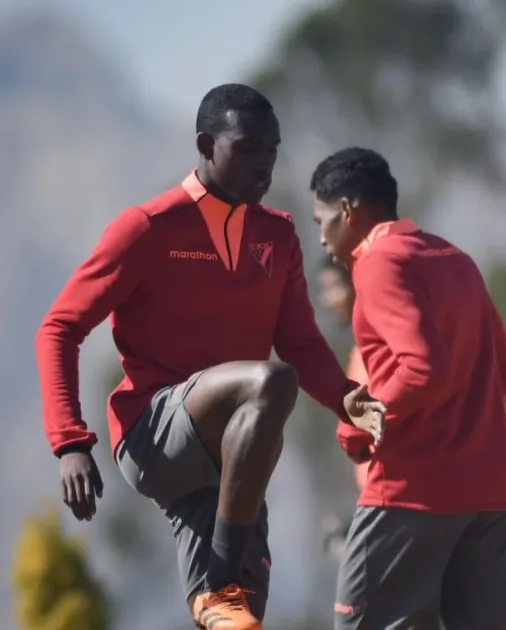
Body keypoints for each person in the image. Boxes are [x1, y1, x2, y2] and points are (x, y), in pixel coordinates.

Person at [35, 84, 386, 630]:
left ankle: (218, 592)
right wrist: (69, 443)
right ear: (205, 144)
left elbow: (301, 343)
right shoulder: (148, 229)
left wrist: (349, 402)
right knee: (270, 383)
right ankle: (220, 578)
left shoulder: (278, 235)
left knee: (237, 621)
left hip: (228, 464)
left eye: (273, 150)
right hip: (154, 435)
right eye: (249, 149)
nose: (265, 164)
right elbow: (59, 328)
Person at [310, 147, 506, 630]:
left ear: (347, 211)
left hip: (410, 492)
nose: (323, 238)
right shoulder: (454, 258)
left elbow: (423, 368)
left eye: (321, 220)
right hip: (490, 495)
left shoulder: (376, 263)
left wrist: (357, 424)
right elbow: (505, 375)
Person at [316, 257, 371, 491]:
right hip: (377, 489)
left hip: (395, 491)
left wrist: (350, 433)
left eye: (334, 288)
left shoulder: (377, 345)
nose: (327, 301)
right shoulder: (359, 349)